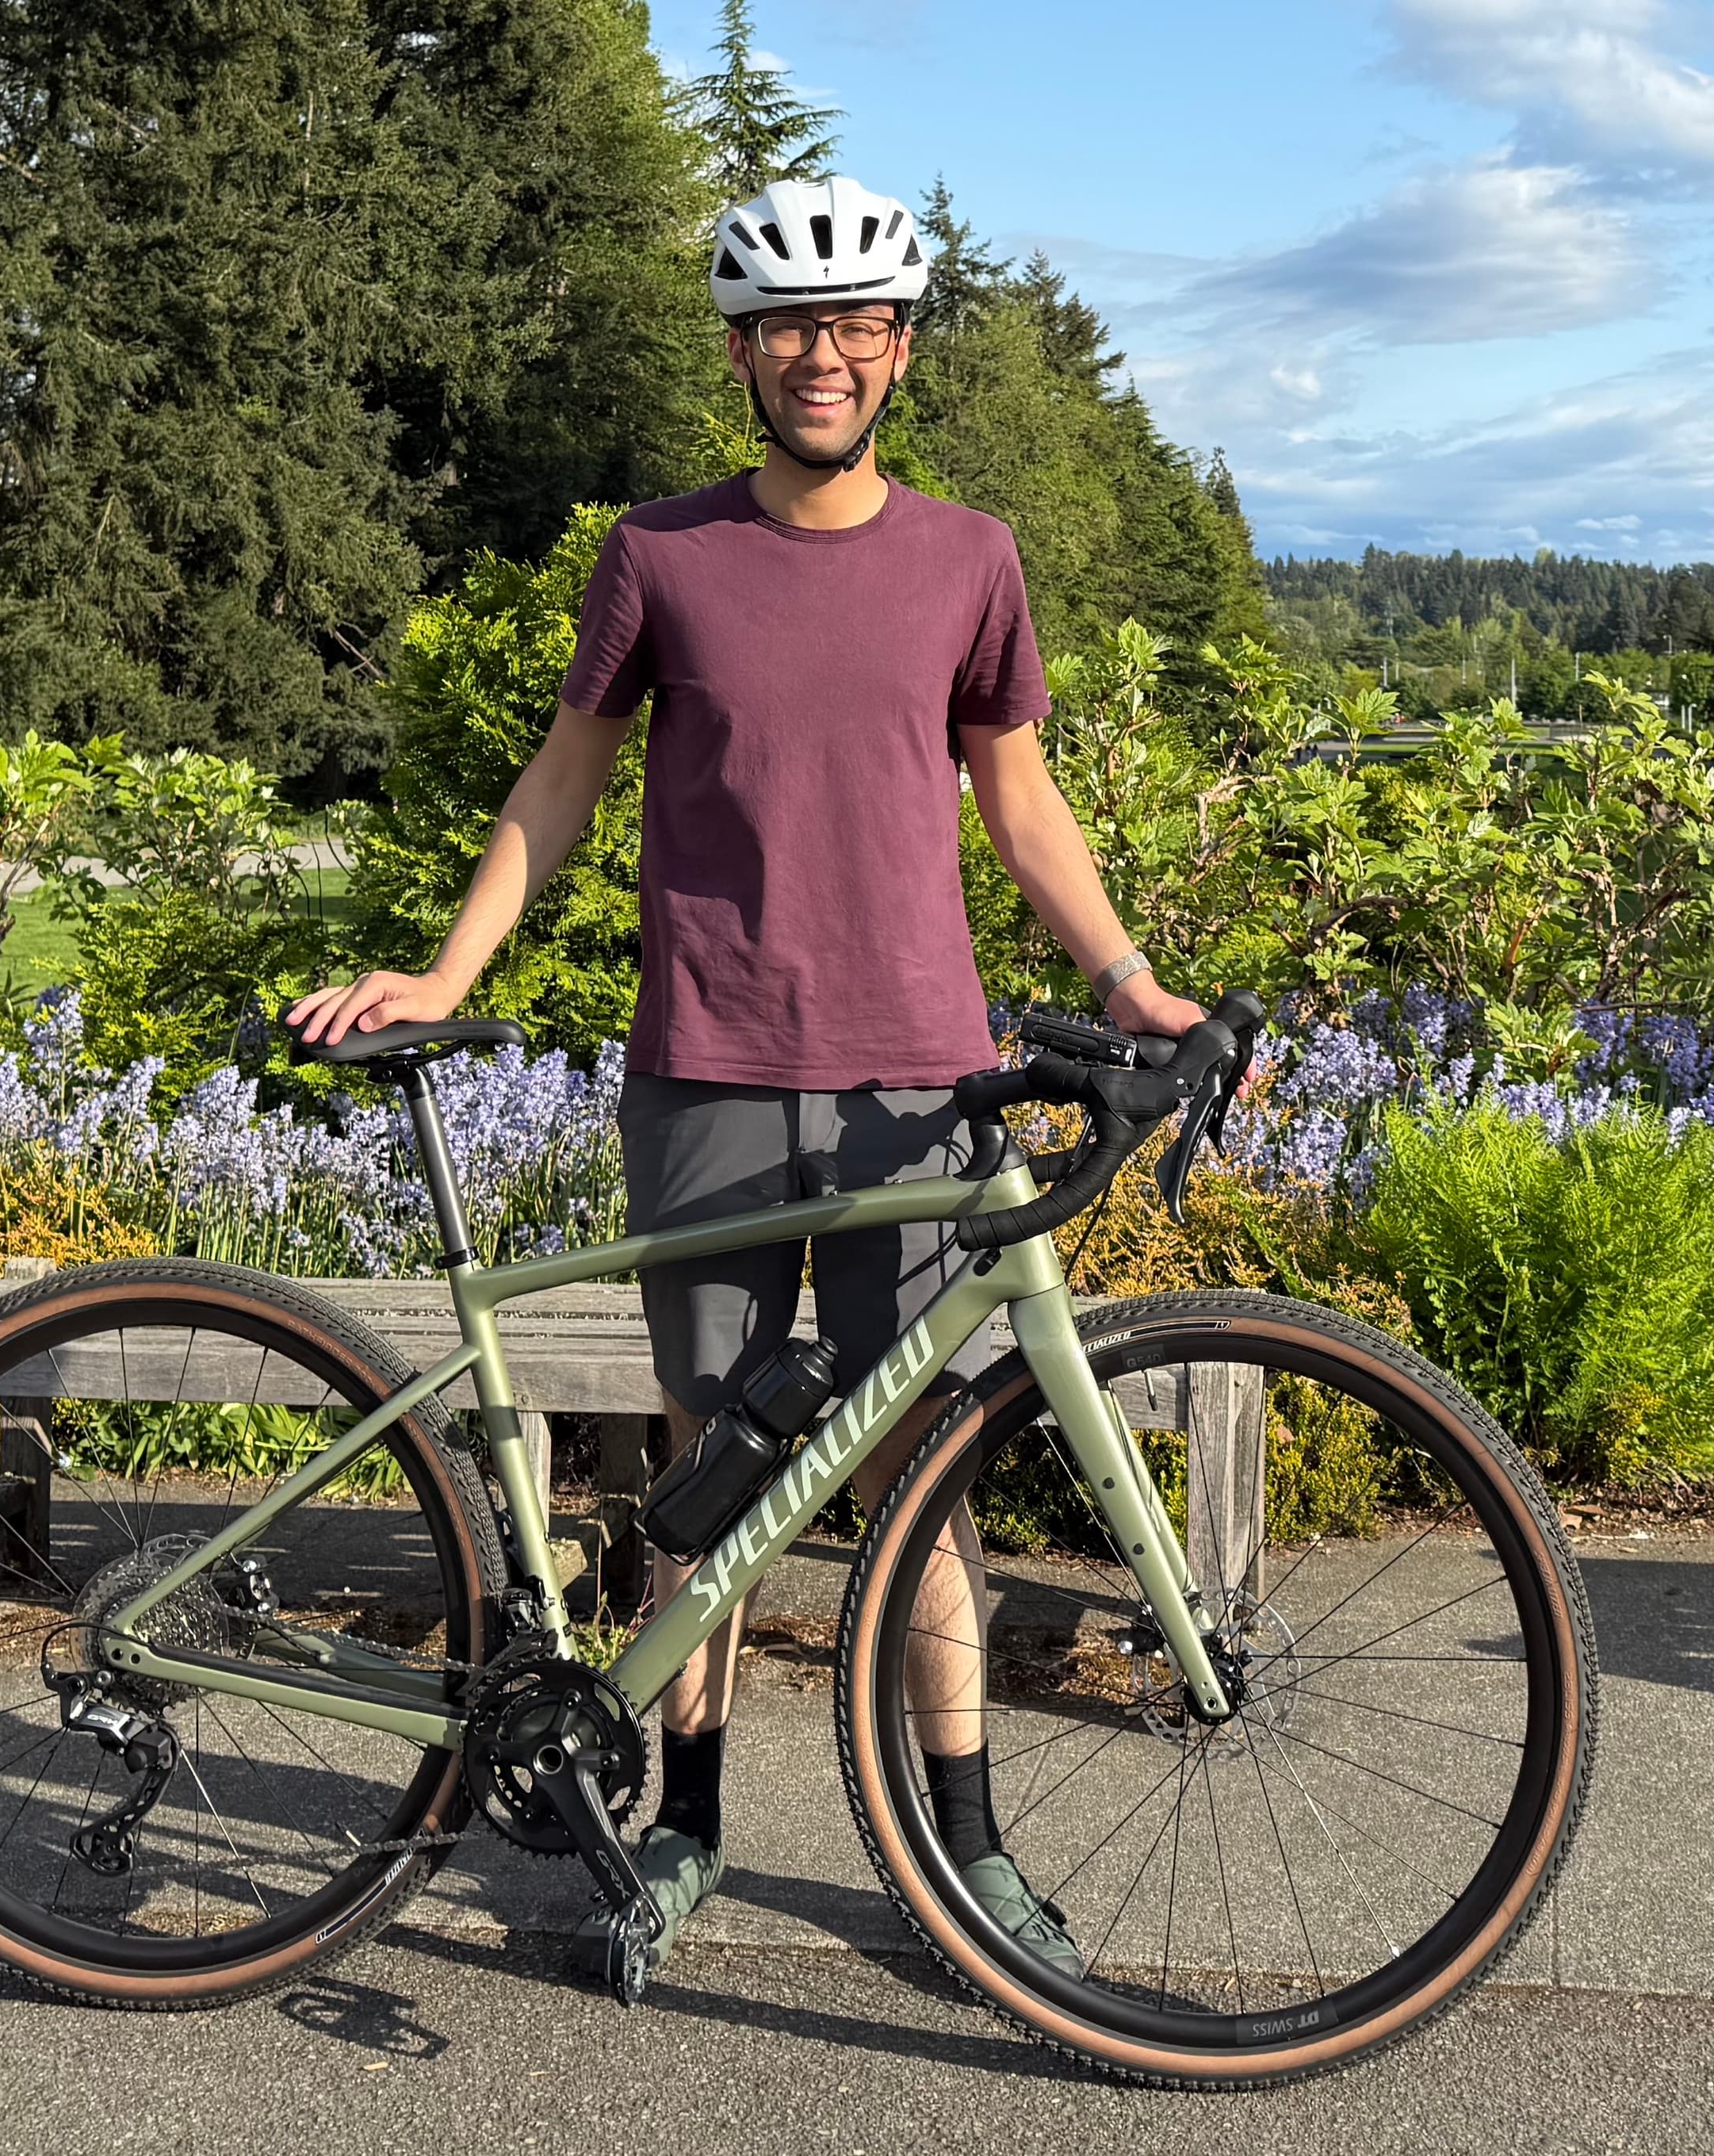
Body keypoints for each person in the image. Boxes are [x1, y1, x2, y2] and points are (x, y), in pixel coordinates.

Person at [288, 173, 1202, 1979]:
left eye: (858, 322)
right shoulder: (661, 554)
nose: (824, 352)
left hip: (916, 1084)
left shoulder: (971, 558)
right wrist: (446, 966)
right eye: (791, 324)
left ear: (899, 350)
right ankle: (683, 1823)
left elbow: (1019, 799)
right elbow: (564, 779)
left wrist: (1131, 980)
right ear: (741, 349)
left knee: (912, 1475)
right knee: (709, 1464)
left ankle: (966, 1855)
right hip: (704, 1067)